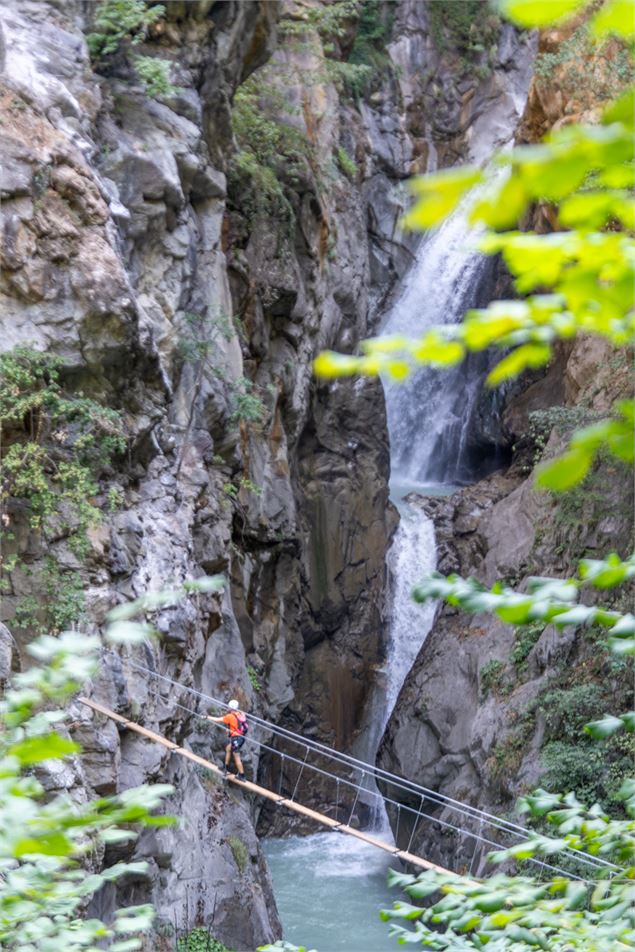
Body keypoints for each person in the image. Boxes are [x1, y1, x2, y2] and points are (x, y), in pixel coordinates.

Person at [207, 699, 247, 781]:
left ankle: (242, 776)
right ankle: (226, 767)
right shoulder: (240, 713)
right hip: (241, 737)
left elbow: (218, 720)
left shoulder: (230, 716)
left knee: (237, 757)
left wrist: (207, 717)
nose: (227, 708)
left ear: (231, 707)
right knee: (228, 748)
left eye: (228, 707)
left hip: (236, 738)